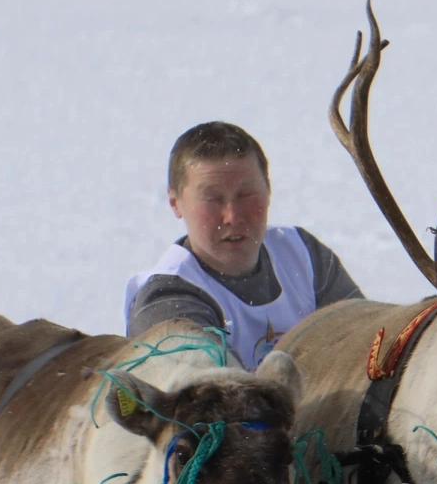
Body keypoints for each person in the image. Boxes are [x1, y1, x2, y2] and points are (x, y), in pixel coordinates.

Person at [124, 121, 365, 366]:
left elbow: (368, 343)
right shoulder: (167, 300)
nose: (232, 216)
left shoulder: (303, 255)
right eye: (212, 199)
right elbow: (210, 397)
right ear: (175, 203)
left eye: (246, 195)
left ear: (268, 191)